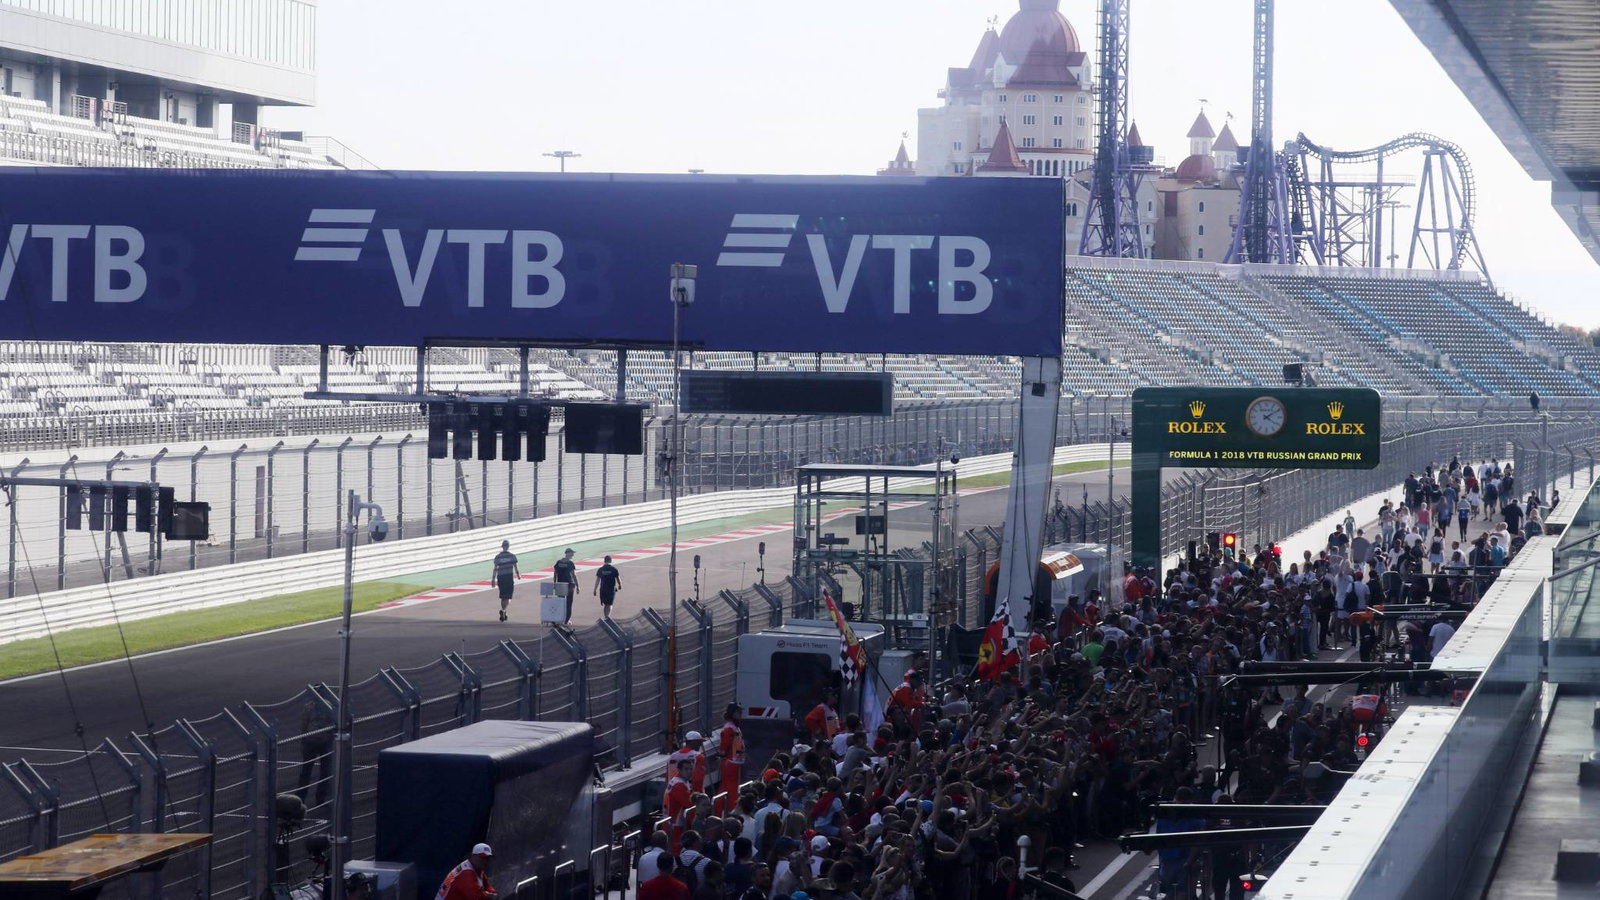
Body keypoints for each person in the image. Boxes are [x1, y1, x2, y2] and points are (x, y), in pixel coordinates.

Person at [491, 541, 520, 623]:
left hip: (500, 577)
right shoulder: (512, 556)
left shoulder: (498, 557)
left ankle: (504, 611)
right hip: (508, 577)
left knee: (503, 596)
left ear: (502, 547)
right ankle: (503, 610)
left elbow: (495, 569)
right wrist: (518, 575)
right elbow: (515, 567)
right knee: (508, 597)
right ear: (508, 546)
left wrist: (493, 579)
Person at [552, 548, 579, 622]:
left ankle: (559, 618)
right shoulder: (570, 563)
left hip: (560, 584)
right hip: (569, 584)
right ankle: (566, 620)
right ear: (568, 553)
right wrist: (577, 586)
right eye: (572, 553)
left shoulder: (558, 562)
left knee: (560, 602)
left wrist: (555, 583)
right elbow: (573, 575)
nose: (573, 555)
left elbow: (555, 573)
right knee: (569, 603)